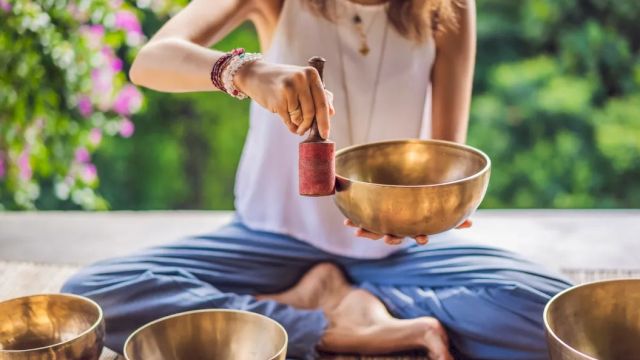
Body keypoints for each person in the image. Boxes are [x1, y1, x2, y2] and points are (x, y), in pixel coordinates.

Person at [62, 0, 571, 359]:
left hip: (396, 255)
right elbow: (151, 61)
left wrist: (428, 211)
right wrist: (246, 72)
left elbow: (444, 160)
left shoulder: (446, 6)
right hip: (268, 240)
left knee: (563, 317)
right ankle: (327, 323)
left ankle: (365, 307)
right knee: (95, 293)